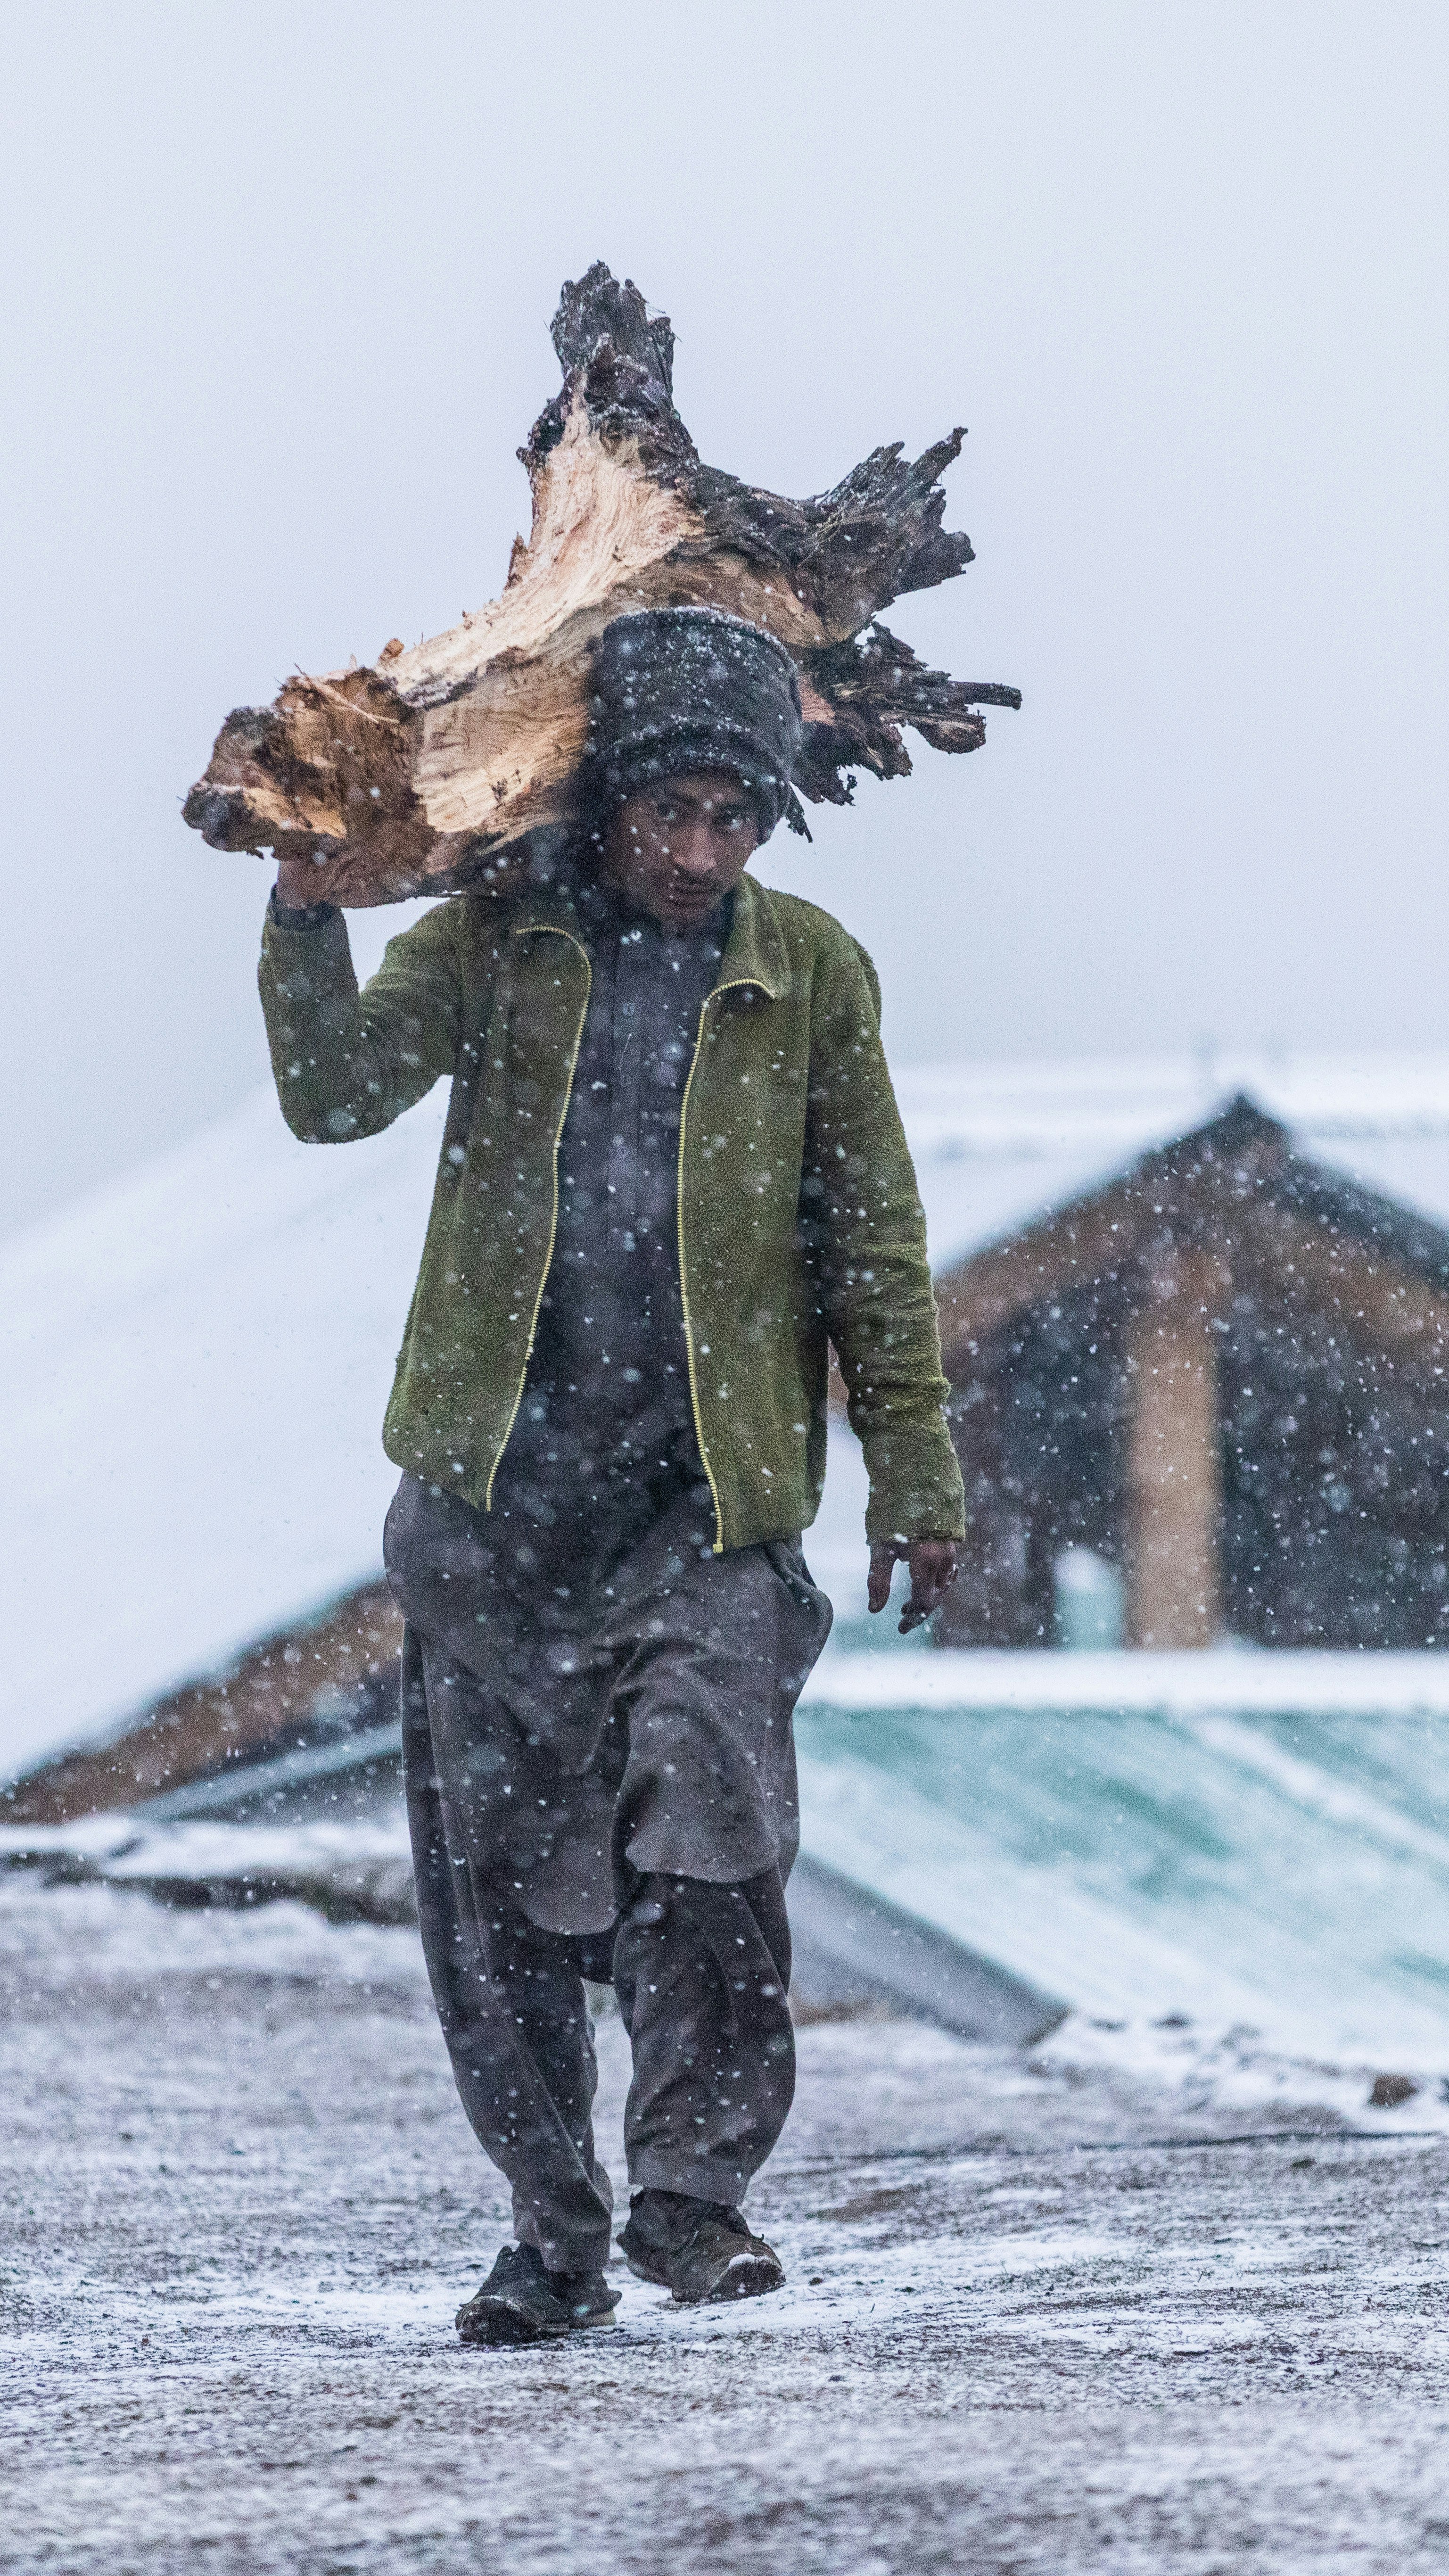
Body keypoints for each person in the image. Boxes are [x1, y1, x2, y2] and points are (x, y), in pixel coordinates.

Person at [258, 606, 963, 2345]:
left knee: (715, 1846)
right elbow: (335, 1097)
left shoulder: (804, 971)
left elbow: (870, 1238)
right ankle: (549, 2230)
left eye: (737, 819)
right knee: (498, 1901)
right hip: (498, 1512)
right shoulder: (501, 940)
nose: (701, 850)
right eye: (675, 814)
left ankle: (691, 2198)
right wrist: (303, 911)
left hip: (708, 1511)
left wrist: (919, 1478)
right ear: (607, 805)